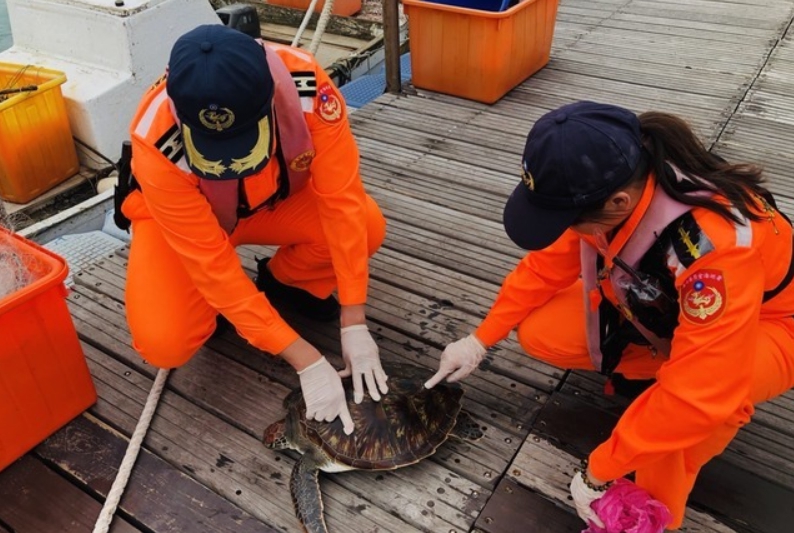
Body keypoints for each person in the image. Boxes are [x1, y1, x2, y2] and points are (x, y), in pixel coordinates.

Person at [425, 100, 794, 529]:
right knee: (543, 333)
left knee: (687, 421)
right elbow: (543, 267)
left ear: (618, 202)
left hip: (771, 326)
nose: (564, 230)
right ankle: (662, 379)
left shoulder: (711, 249)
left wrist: (599, 468)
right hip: (678, 315)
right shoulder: (621, 178)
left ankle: (651, 518)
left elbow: (699, 392)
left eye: (567, 220)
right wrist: (480, 339)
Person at [120, 24, 389, 435]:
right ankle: (229, 312)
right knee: (164, 341)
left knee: (367, 225)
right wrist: (308, 361)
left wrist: (354, 318)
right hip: (196, 223)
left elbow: (342, 201)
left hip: (276, 201)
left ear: (270, 101)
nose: (229, 162)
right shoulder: (154, 140)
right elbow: (211, 263)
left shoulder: (307, 87)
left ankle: (285, 281)